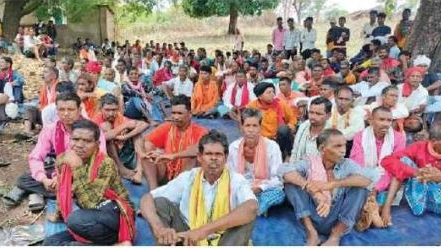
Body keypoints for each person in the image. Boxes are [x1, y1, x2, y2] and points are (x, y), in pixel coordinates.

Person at [140, 130, 258, 246]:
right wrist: (159, 229)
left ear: (225, 158)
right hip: (188, 236)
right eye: (208, 154)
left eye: (218, 154)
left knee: (247, 217)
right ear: (200, 157)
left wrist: (203, 231)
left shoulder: (236, 180)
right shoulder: (189, 177)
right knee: (159, 203)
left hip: (223, 237)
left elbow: (252, 207)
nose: (213, 158)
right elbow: (147, 199)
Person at [2, 92, 106, 211]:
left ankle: (64, 191)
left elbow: (101, 158)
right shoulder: (51, 129)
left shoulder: (92, 129)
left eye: (71, 109)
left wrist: (67, 177)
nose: (66, 114)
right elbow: (36, 157)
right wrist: (45, 179)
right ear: (56, 111)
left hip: (85, 172)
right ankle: (66, 192)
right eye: (61, 109)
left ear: (79, 109)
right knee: (24, 179)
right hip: (60, 170)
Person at [280, 129, 380, 246]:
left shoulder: (347, 164)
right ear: (322, 149)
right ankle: (311, 233)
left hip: (337, 219)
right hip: (312, 215)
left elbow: (371, 177)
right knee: (290, 183)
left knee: (361, 188)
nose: (343, 150)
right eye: (337, 146)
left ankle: (335, 236)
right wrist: (313, 190)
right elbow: (283, 170)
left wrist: (332, 184)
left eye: (344, 145)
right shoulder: (310, 162)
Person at [43, 119, 135, 246]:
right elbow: (63, 189)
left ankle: (117, 241)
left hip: (115, 214)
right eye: (75, 139)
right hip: (91, 218)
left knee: (75, 220)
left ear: (97, 144)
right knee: (50, 242)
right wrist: (59, 214)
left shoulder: (105, 163)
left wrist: (77, 167)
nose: (79, 145)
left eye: (87, 141)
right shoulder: (64, 158)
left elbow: (91, 203)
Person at [349, 106, 405, 229]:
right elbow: (358, 165)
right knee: (353, 177)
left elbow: (392, 169)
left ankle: (382, 208)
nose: (386, 124)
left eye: (389, 120)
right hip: (365, 178)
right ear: (371, 121)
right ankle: (373, 209)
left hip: (387, 180)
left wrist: (375, 188)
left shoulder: (398, 138)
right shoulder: (360, 136)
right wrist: (370, 185)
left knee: (400, 171)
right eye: (381, 119)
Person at [381, 122, 441, 225]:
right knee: (402, 162)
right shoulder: (419, 147)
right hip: (419, 195)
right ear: (434, 142)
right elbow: (387, 160)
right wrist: (415, 172)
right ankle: (386, 206)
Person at [143, 95, 207, 190]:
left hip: (184, 176)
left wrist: (174, 156)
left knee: (192, 156)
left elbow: (198, 149)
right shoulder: (167, 127)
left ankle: (179, 189)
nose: (176, 117)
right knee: (147, 151)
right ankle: (154, 191)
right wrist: (156, 152)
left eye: (180, 113)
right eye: (173, 113)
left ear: (190, 114)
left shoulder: (200, 131)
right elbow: (145, 141)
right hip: (167, 172)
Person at [227, 108, 284, 216]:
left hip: (265, 188)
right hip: (242, 187)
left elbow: (278, 179)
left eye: (255, 126)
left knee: (278, 194)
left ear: (260, 127)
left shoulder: (272, 147)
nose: (251, 130)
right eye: (247, 126)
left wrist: (259, 188)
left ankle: (253, 209)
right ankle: (253, 207)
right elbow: (230, 175)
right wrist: (244, 188)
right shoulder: (234, 147)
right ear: (242, 127)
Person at [93, 93, 149, 184]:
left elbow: (145, 124)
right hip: (107, 155)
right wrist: (124, 126)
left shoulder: (120, 117)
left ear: (118, 109)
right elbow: (104, 137)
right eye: (107, 110)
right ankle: (120, 169)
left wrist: (125, 136)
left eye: (114, 110)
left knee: (137, 135)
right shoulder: (96, 120)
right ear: (101, 109)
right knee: (106, 127)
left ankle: (139, 169)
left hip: (123, 150)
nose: (111, 113)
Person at [247, 82, 296, 160]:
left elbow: (292, 117)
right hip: (261, 138)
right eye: (269, 92)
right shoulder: (252, 106)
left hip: (278, 138)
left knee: (283, 129)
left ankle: (285, 153)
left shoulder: (280, 103)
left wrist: (291, 125)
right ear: (260, 96)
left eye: (273, 92)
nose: (272, 94)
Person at [326, 86, 365, 156]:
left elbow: (354, 133)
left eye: (347, 99)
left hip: (348, 149)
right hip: (327, 146)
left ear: (352, 101)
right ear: (335, 99)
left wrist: (332, 135)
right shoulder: (327, 112)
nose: (343, 102)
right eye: (340, 98)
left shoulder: (357, 115)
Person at [290, 97, 332, 163]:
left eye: (318, 114)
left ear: (328, 115)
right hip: (297, 169)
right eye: (311, 112)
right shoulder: (303, 126)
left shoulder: (332, 135)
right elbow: (295, 152)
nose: (313, 116)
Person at [23, 66, 59, 136]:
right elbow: (40, 103)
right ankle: (27, 132)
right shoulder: (44, 87)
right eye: (43, 72)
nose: (42, 74)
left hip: (55, 116)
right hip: (44, 114)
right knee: (30, 109)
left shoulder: (59, 87)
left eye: (45, 72)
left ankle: (44, 132)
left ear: (54, 76)